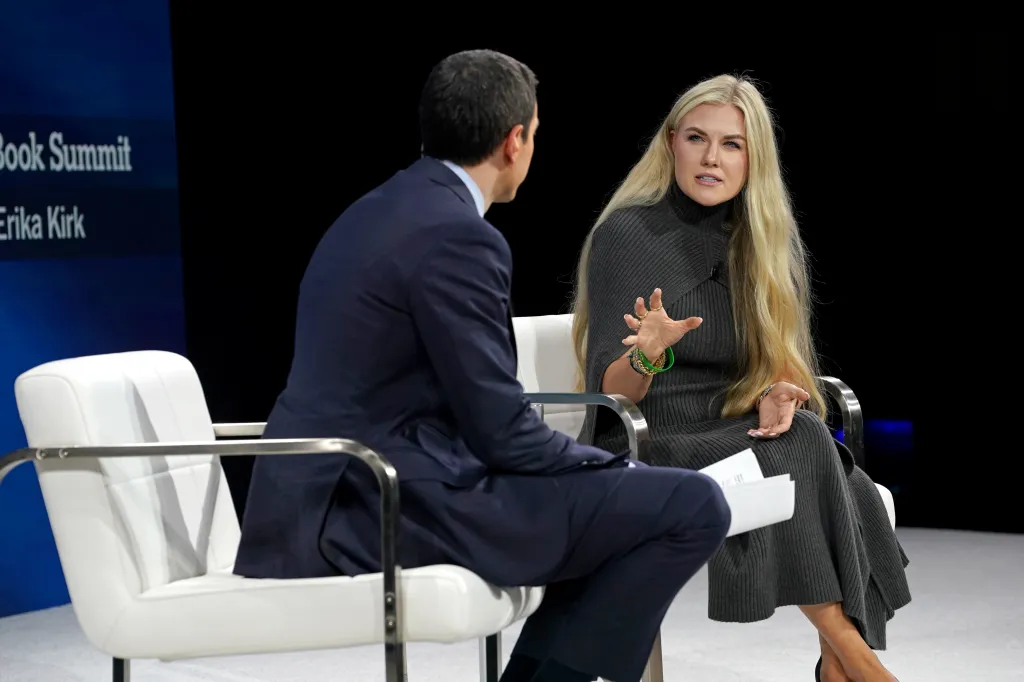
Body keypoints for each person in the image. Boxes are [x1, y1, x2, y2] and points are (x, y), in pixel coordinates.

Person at [233, 50, 731, 682]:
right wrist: (609, 464)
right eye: (536, 133)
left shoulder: (375, 210)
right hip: (374, 504)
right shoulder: (457, 235)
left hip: (329, 494)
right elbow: (499, 428)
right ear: (514, 140)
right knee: (692, 505)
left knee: (623, 511)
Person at [570, 74, 911, 682]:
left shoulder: (762, 239)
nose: (710, 158)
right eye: (697, 138)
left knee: (812, 440)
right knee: (809, 446)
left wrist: (781, 391)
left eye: (731, 144)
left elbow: (779, 366)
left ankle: (840, 668)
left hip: (729, 427)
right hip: (647, 439)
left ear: (754, 156)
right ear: (671, 143)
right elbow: (612, 397)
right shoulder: (626, 233)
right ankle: (857, 663)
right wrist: (648, 355)